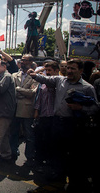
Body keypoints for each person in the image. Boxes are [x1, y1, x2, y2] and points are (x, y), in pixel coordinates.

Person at [28, 59, 99, 191]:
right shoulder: (60, 81)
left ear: (81, 71)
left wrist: (81, 108)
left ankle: (74, 183)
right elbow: (43, 79)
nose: (69, 71)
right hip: (57, 123)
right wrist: (34, 72)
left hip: (74, 126)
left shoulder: (87, 87)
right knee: (56, 153)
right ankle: (56, 181)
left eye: (73, 69)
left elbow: (95, 108)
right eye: (68, 68)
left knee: (73, 157)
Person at [10, 54, 38, 165]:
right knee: (14, 133)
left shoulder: (35, 76)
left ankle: (29, 156)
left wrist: (18, 89)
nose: (22, 62)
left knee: (29, 135)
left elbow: (32, 93)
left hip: (27, 110)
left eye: (25, 60)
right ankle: (13, 153)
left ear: (31, 62)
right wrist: (22, 92)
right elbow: (12, 91)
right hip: (15, 108)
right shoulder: (14, 75)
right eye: (21, 60)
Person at [33, 61, 59, 172]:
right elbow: (39, 97)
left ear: (56, 71)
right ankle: (40, 162)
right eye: (46, 70)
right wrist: (36, 111)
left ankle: (51, 165)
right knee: (41, 140)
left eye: (50, 70)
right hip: (43, 116)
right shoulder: (42, 83)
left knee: (52, 143)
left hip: (55, 117)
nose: (47, 72)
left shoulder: (60, 83)